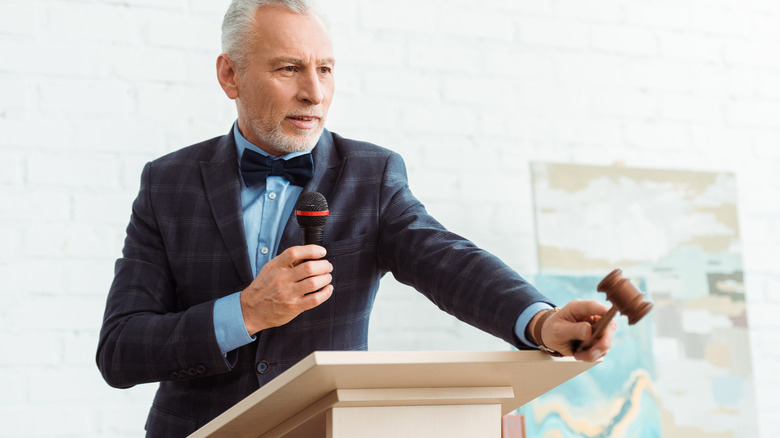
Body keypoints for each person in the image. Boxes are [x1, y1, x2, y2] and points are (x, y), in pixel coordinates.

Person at [96, 0, 617, 436]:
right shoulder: (167, 183)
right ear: (229, 74)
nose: (314, 93)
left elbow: (447, 260)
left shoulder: (370, 173)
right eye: (287, 68)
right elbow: (120, 350)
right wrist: (246, 313)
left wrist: (541, 321)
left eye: (324, 68)